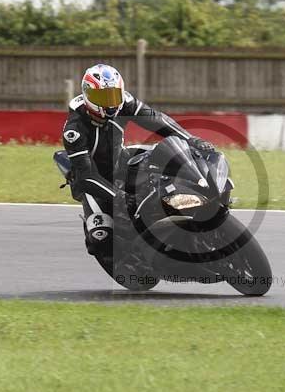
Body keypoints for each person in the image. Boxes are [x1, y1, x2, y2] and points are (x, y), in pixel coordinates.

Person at [59, 63, 214, 255]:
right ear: (87, 95)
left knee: (171, 153)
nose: (109, 103)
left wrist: (190, 139)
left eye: (113, 95)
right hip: (95, 183)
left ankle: (201, 193)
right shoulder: (74, 129)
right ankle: (132, 259)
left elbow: (155, 119)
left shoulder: (124, 102)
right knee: (100, 238)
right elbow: (86, 176)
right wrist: (119, 197)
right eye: (102, 97)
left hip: (121, 160)